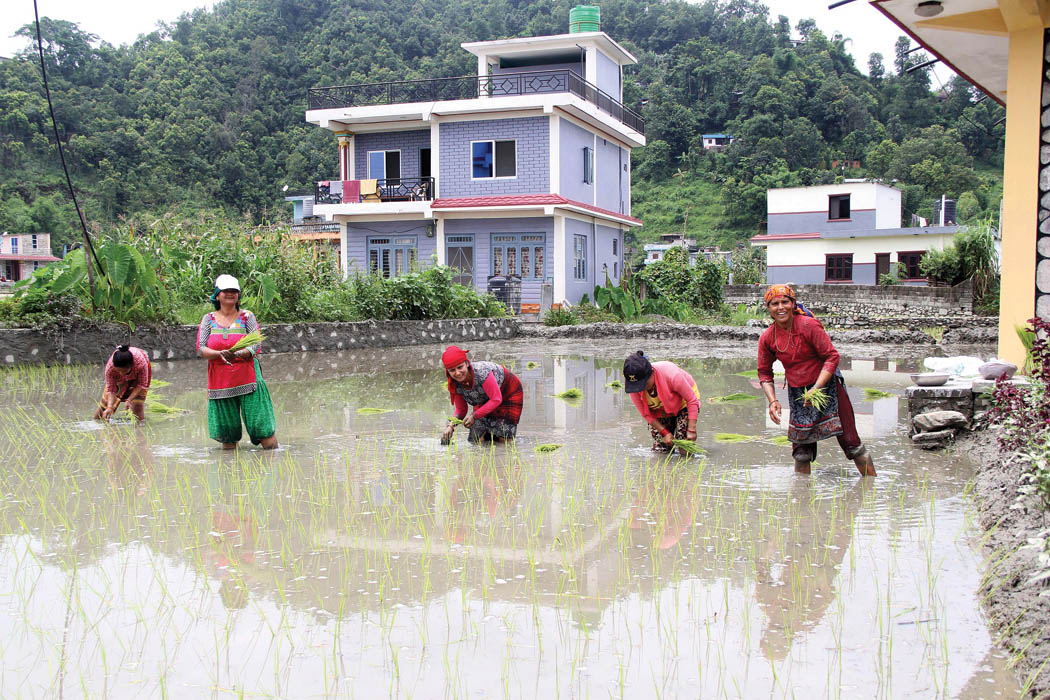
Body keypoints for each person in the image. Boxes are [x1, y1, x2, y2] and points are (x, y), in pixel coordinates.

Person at [757, 284, 875, 476]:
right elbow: (764, 372)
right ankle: (801, 498)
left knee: (852, 443)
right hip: (799, 395)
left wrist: (817, 388)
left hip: (827, 388)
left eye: (785, 302)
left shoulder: (808, 325)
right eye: (774, 304)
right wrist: (773, 401)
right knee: (801, 452)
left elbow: (832, 357)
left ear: (793, 303)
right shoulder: (768, 338)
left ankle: (872, 487)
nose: (780, 307)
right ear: (768, 309)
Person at [196, 274, 278, 450]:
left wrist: (240, 353)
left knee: (263, 428)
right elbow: (201, 348)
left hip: (248, 379)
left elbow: (256, 343)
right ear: (217, 295)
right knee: (228, 435)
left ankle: (272, 467)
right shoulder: (208, 319)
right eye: (226, 291)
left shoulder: (247, 317)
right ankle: (231, 471)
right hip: (221, 381)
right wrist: (219, 354)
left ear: (238, 295)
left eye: (234, 291)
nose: (230, 294)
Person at [440, 345, 523, 444]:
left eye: (460, 367)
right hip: (485, 399)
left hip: (508, 392)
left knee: (503, 437)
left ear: (466, 363)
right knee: (477, 437)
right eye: (452, 370)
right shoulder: (454, 383)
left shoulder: (482, 372)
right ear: (448, 372)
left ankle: (503, 456)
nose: (457, 373)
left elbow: (496, 399)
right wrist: (451, 426)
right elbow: (461, 409)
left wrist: (474, 416)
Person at [623, 351, 701, 455]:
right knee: (661, 450)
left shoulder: (672, 375)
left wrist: (691, 430)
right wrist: (664, 432)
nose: (641, 388)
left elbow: (691, 400)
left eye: (644, 383)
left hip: (684, 404)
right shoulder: (635, 388)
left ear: (652, 373)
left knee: (684, 447)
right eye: (637, 385)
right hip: (660, 409)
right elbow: (646, 414)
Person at [94, 344, 151, 422]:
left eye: (124, 371)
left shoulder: (140, 364)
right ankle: (97, 422)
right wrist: (110, 407)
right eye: (118, 371)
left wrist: (129, 400)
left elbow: (142, 384)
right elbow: (111, 389)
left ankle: (140, 429)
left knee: (138, 405)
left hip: (138, 377)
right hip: (117, 377)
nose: (121, 374)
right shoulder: (110, 368)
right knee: (105, 404)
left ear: (131, 366)